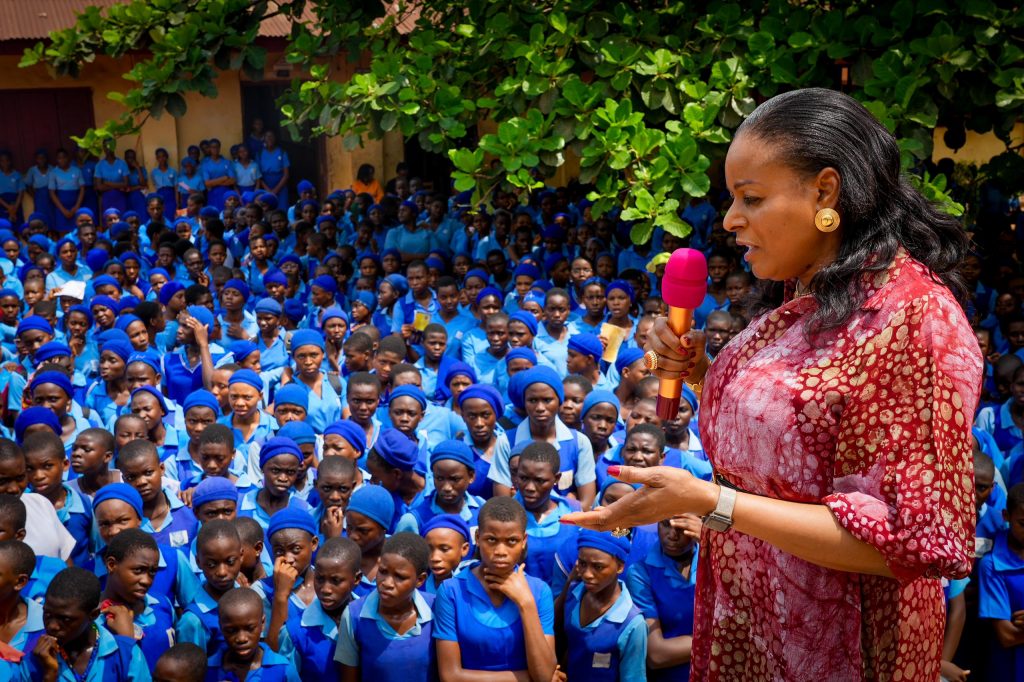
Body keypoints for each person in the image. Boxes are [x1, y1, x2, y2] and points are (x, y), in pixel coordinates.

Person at [563, 88, 982, 680]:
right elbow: (790, 449)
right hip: (753, 631)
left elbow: (909, 542)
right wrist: (699, 373)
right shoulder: (809, 296)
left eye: (751, 198)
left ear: (825, 192)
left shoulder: (915, 322)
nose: (731, 219)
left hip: (840, 651)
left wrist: (712, 503)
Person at [432, 496, 558, 680]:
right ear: (477, 538)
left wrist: (526, 604)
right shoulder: (452, 591)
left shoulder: (538, 592)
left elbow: (543, 675)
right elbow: (450, 676)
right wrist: (526, 678)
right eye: (491, 540)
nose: (500, 551)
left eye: (512, 541)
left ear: (524, 541)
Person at [334, 532, 436, 682]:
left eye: (400, 577)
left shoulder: (436, 610)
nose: (387, 583)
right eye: (382, 571)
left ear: (420, 580)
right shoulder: (355, 616)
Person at [21, 566, 151, 681]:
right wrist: (49, 675)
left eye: (65, 619)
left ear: (93, 615)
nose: (52, 626)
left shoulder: (126, 655)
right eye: (48, 615)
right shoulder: (34, 660)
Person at [559, 529, 648, 682]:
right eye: (582, 564)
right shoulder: (574, 594)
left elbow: (633, 677)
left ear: (620, 567)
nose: (587, 574)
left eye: (598, 567)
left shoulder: (632, 624)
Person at [205, 587, 299, 682]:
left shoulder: (282, 669)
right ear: (221, 627)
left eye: (250, 628)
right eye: (231, 630)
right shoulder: (207, 669)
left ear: (262, 623)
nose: (241, 638)